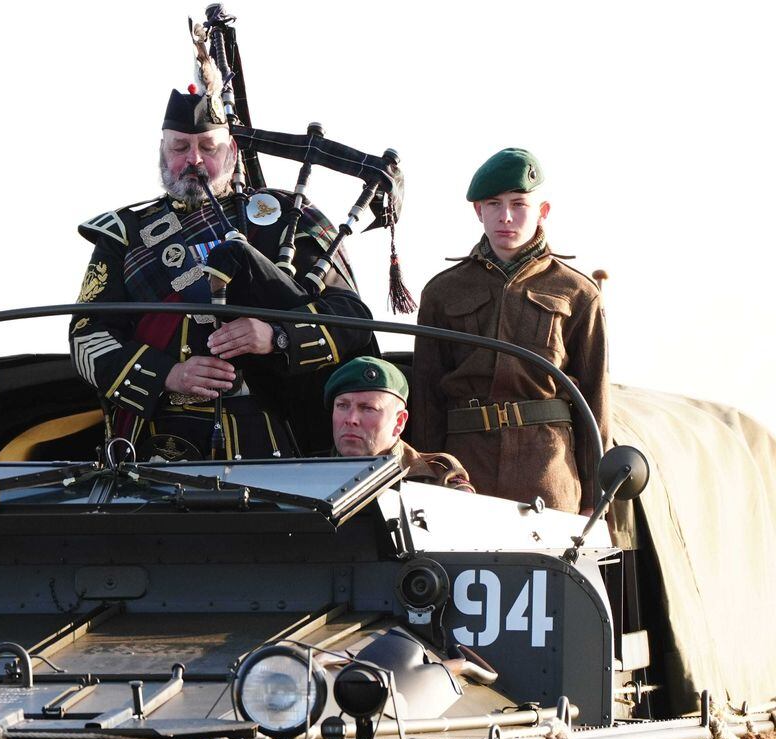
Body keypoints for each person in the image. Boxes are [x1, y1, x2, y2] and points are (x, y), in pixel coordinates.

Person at [69, 88, 375, 460]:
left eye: (208, 148)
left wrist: (275, 337)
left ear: (231, 150)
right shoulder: (124, 233)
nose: (194, 160)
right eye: (180, 147)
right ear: (162, 151)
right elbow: (88, 337)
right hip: (155, 436)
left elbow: (352, 319)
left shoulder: (285, 219)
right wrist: (168, 374)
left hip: (267, 435)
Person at [409, 148, 609, 513]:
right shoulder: (442, 291)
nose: (506, 217)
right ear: (477, 211)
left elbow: (594, 400)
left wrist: (596, 500)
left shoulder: (578, 292)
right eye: (493, 204)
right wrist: (427, 480)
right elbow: (426, 397)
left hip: (546, 467)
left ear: (542, 211)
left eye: (519, 204)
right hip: (465, 469)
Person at [326, 356, 473, 490]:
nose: (351, 419)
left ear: (399, 422)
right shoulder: (305, 477)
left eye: (367, 408)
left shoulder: (439, 478)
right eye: (342, 406)